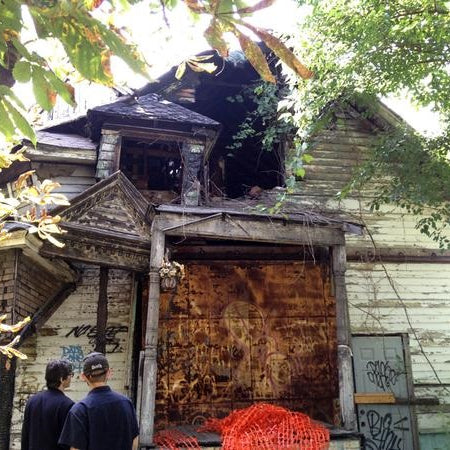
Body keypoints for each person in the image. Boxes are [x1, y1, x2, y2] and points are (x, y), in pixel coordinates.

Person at [59, 352, 139, 450]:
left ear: (83, 377)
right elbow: (134, 442)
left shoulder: (79, 410)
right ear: (109, 373)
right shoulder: (126, 403)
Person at [21, 359, 74, 450]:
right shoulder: (68, 405)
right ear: (61, 379)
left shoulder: (32, 401)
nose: (71, 377)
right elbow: (68, 442)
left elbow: (25, 436)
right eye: (70, 375)